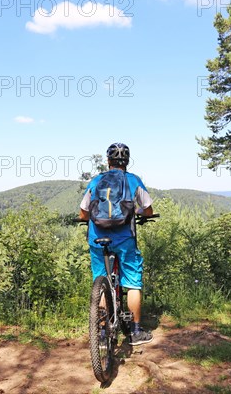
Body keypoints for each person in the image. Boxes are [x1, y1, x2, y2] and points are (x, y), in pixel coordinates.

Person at [78, 143, 154, 346]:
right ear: (127, 162)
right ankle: (136, 332)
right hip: (124, 239)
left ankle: (102, 334)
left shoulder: (96, 181)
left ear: (108, 161)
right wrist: (138, 213)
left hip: (97, 238)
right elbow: (147, 209)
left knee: (101, 279)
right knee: (133, 283)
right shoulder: (133, 180)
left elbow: (83, 212)